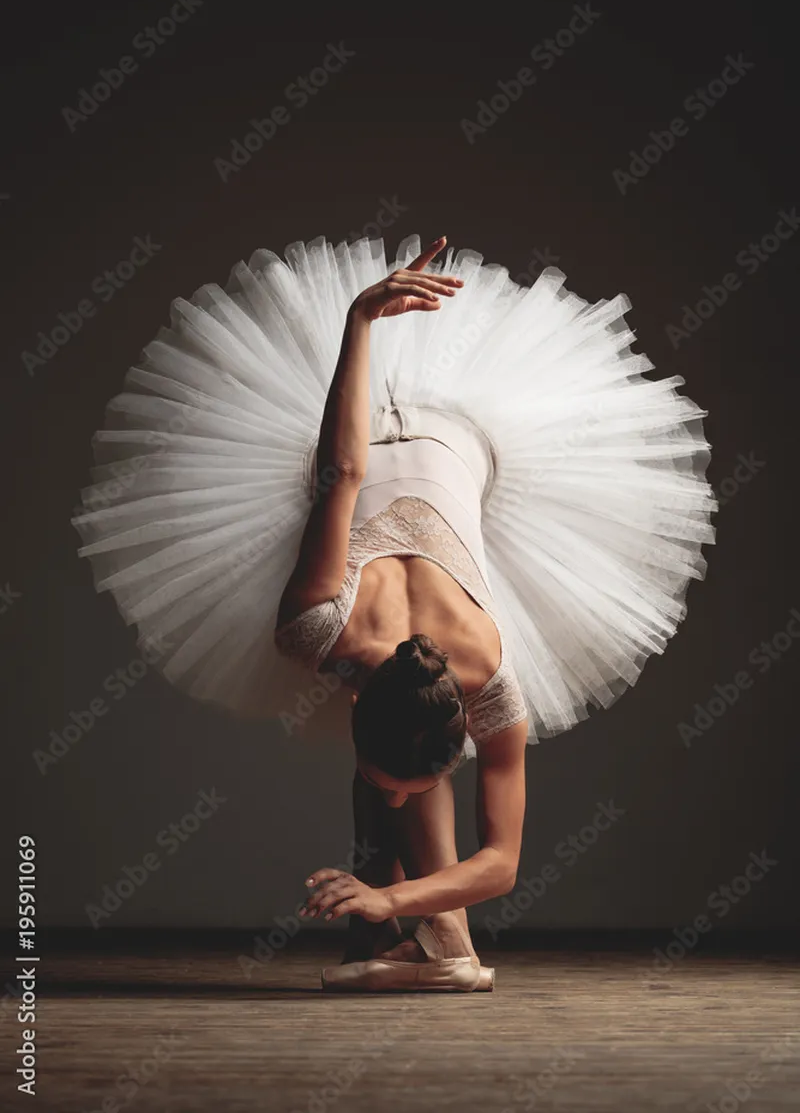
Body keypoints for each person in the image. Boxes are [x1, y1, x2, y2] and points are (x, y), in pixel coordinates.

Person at [73, 233, 716, 992]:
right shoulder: (321, 625)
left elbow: (504, 864)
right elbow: (339, 470)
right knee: (387, 770)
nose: (393, 791)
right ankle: (436, 940)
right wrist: (357, 323)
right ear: (352, 690)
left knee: (390, 775)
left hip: (462, 438)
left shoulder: (464, 678)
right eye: (395, 780)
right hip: (421, 441)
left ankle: (418, 937)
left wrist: (386, 893)